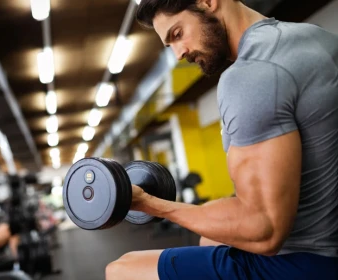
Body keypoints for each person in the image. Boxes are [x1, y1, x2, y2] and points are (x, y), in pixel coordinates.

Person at [106, 0, 338, 279]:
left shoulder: (250, 75)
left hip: (308, 262)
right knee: (209, 240)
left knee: (122, 269)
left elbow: (265, 231)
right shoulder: (318, 38)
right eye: (170, 45)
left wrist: (149, 204)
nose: (179, 54)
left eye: (177, 34)